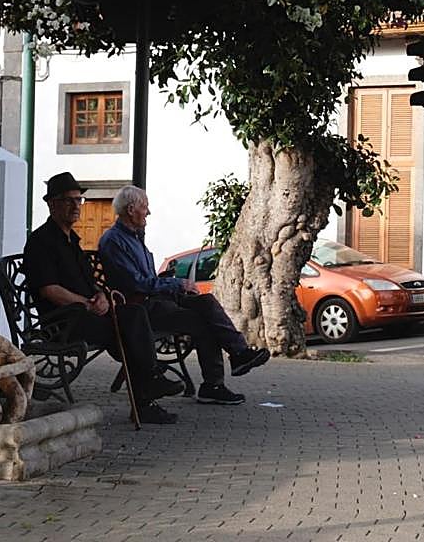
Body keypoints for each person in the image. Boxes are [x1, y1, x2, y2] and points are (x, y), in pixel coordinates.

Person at [23, 172, 184, 424]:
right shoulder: (41, 241)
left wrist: (101, 296)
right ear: (52, 203)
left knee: (133, 314)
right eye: (69, 200)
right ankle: (148, 389)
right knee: (130, 326)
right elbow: (49, 290)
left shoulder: (72, 240)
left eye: (79, 200)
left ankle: (148, 389)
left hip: (87, 313)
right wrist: (87, 303)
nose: (76, 205)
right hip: (63, 322)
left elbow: (91, 282)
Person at [97, 185, 270, 406]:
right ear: (131, 210)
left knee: (205, 302)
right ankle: (217, 381)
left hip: (156, 300)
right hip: (140, 308)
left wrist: (169, 281)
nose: (148, 212)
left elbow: (146, 279)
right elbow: (136, 284)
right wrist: (175, 284)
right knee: (202, 322)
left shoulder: (135, 237)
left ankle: (238, 354)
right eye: (145, 207)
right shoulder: (114, 240)